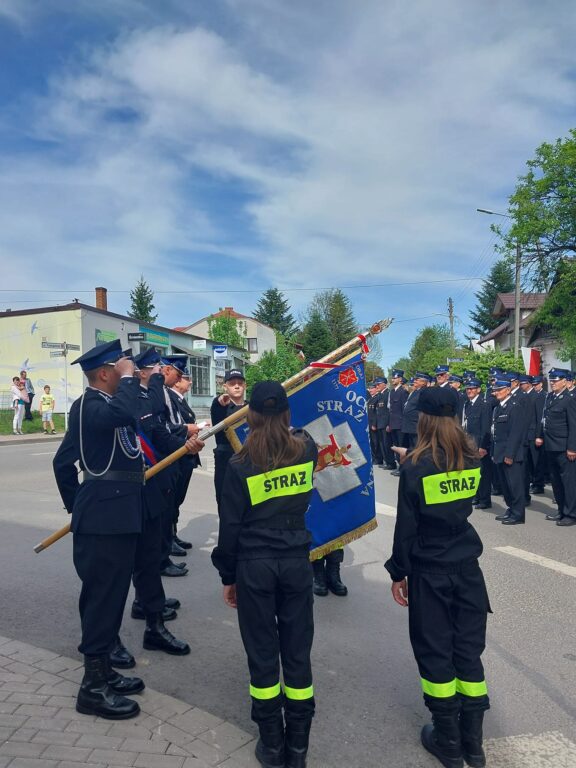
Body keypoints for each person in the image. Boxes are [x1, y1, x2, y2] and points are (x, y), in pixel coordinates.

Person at [212, 381, 318, 768]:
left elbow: (230, 528)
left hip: (254, 565)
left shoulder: (240, 464)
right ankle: (299, 748)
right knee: (297, 651)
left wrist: (229, 576)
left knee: (262, 653)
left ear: (251, 415)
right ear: (287, 413)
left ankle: (272, 745)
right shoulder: (306, 449)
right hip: (294, 563)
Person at [385, 386, 490, 768]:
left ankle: (446, 739)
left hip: (430, 569)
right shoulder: (471, 458)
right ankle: (473, 745)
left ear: (424, 419)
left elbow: (407, 528)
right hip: (466, 567)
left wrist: (399, 572)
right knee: (467, 650)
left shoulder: (416, 465)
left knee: (435, 652)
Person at [52, 340, 147, 720]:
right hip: (104, 517)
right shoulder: (91, 405)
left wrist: (82, 507)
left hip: (113, 515)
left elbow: (62, 463)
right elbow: (128, 409)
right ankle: (91, 689)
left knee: (109, 597)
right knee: (101, 600)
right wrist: (82, 508)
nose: (129, 369)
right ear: (106, 373)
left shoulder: (104, 406)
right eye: (121, 366)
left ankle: (105, 671)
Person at [536, 368, 576, 526]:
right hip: (550, 445)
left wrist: (572, 447)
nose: (553, 383)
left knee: (568, 482)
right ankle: (561, 510)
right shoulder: (551, 397)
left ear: (565, 382)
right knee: (556, 481)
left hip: (564, 447)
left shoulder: (570, 399)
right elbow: (544, 420)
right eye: (551, 380)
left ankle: (571, 513)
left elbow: (574, 426)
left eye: (556, 380)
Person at [491, 378, 528, 525]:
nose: (497, 392)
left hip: (510, 454)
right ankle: (511, 509)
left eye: (500, 390)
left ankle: (518, 514)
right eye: (495, 390)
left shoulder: (515, 407)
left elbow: (516, 433)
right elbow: (495, 433)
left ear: (507, 390)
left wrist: (509, 454)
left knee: (514, 485)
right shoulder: (499, 407)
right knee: (506, 485)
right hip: (499, 452)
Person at [210, 368, 247, 512]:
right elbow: (218, 404)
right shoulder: (221, 406)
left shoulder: (252, 406)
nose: (237, 386)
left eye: (240, 383)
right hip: (226, 461)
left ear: (245, 386)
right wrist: (219, 400)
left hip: (249, 460)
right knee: (226, 504)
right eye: (232, 383)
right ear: (225, 387)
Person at [462, 378, 493, 510]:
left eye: (472, 388)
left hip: (480, 444)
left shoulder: (484, 404)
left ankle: (485, 500)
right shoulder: (468, 404)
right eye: (468, 388)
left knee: (483, 473)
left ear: (479, 390)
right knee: (473, 472)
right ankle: (477, 496)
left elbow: (485, 428)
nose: (469, 391)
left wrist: (483, 446)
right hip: (469, 443)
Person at [387, 369, 408, 476]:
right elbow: (391, 410)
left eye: (395, 378)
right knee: (396, 447)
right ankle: (399, 466)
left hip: (400, 424)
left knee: (401, 447)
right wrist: (389, 424)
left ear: (400, 379)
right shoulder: (392, 391)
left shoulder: (403, 392)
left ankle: (403, 468)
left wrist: (403, 424)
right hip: (393, 424)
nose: (392, 379)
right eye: (392, 378)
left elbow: (404, 410)